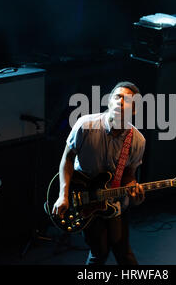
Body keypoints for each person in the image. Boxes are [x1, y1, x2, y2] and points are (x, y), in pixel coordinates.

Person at [52, 81, 146, 265]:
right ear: (109, 101)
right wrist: (63, 195)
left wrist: (133, 188)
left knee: (123, 253)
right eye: (117, 97)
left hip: (114, 200)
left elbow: (129, 174)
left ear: (134, 110)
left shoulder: (137, 140)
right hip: (83, 197)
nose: (120, 102)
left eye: (127, 100)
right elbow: (67, 160)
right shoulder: (85, 125)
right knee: (100, 252)